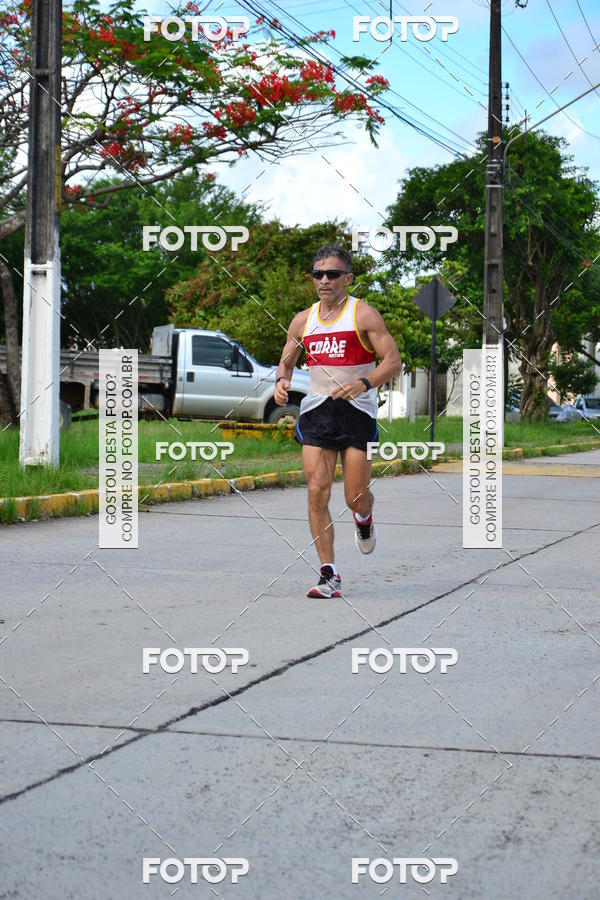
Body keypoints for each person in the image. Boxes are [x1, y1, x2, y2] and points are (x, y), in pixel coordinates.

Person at [274, 243, 402, 598]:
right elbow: (286, 361)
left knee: (354, 497)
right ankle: (329, 574)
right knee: (317, 491)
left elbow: (392, 362)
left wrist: (363, 383)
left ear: (347, 277)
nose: (324, 280)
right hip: (317, 410)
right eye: (318, 274)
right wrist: (281, 382)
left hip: (357, 411)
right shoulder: (303, 320)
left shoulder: (364, 315)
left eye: (332, 274)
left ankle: (365, 517)